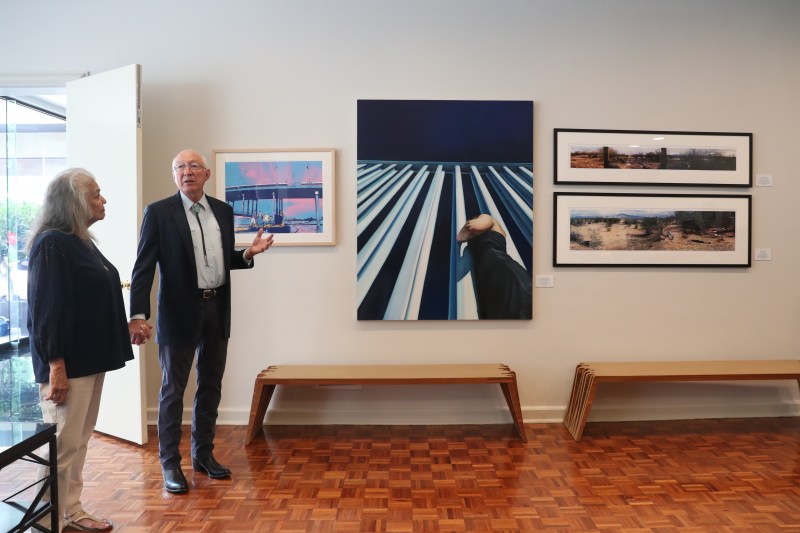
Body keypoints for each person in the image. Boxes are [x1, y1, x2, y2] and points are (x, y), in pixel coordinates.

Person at [128, 149, 273, 494]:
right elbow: (143, 268)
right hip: (178, 313)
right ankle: (170, 464)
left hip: (217, 308)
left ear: (207, 174)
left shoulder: (221, 210)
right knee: (173, 391)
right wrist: (137, 316)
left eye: (194, 166)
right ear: (174, 175)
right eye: (180, 166)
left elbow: (220, 261)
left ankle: (203, 455)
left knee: (211, 386)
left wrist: (247, 254)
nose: (187, 171)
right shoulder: (159, 213)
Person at [27, 168, 134, 532]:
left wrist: (128, 324)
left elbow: (91, 301)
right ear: (73, 201)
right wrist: (56, 364)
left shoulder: (81, 241)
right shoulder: (52, 242)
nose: (103, 200)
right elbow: (47, 308)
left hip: (88, 361)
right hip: (67, 365)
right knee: (61, 444)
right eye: (96, 194)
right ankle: (44, 519)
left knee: (77, 441)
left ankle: (70, 509)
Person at [456, 214, 532, 319]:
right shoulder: (470, 247)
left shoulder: (487, 218)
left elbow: (473, 227)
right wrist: (458, 244)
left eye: (471, 219)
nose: (469, 221)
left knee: (518, 310)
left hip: (502, 271)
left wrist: (459, 237)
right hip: (485, 287)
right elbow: (458, 273)